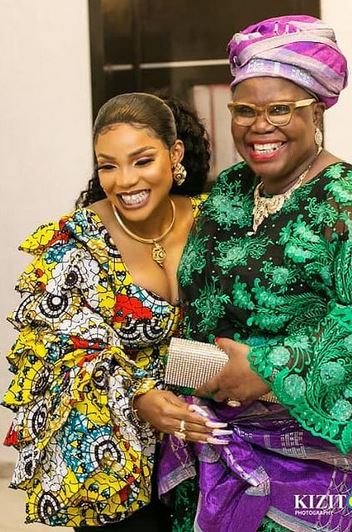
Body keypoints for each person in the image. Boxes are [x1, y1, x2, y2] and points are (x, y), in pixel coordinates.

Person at [157, 15, 352, 532]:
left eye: (280, 109)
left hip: (305, 467)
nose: (260, 126)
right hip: (211, 441)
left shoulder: (351, 203)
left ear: (316, 111)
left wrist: (267, 368)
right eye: (244, 110)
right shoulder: (231, 189)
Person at [2, 92, 216, 530]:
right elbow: (55, 353)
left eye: (142, 161)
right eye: (108, 166)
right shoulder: (77, 243)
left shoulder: (214, 221)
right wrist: (138, 396)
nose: (125, 181)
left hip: (209, 440)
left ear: (175, 154)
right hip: (118, 454)